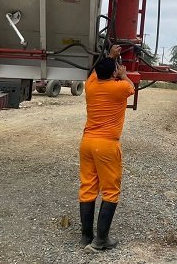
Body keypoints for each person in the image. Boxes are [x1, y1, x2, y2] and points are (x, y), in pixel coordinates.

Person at [78, 45, 135, 251]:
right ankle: (101, 240)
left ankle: (86, 237)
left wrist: (110, 57)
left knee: (88, 187)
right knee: (110, 190)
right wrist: (124, 74)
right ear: (113, 73)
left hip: (87, 143)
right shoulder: (119, 88)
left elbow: (95, 72)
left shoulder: (90, 86)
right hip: (107, 145)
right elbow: (132, 88)